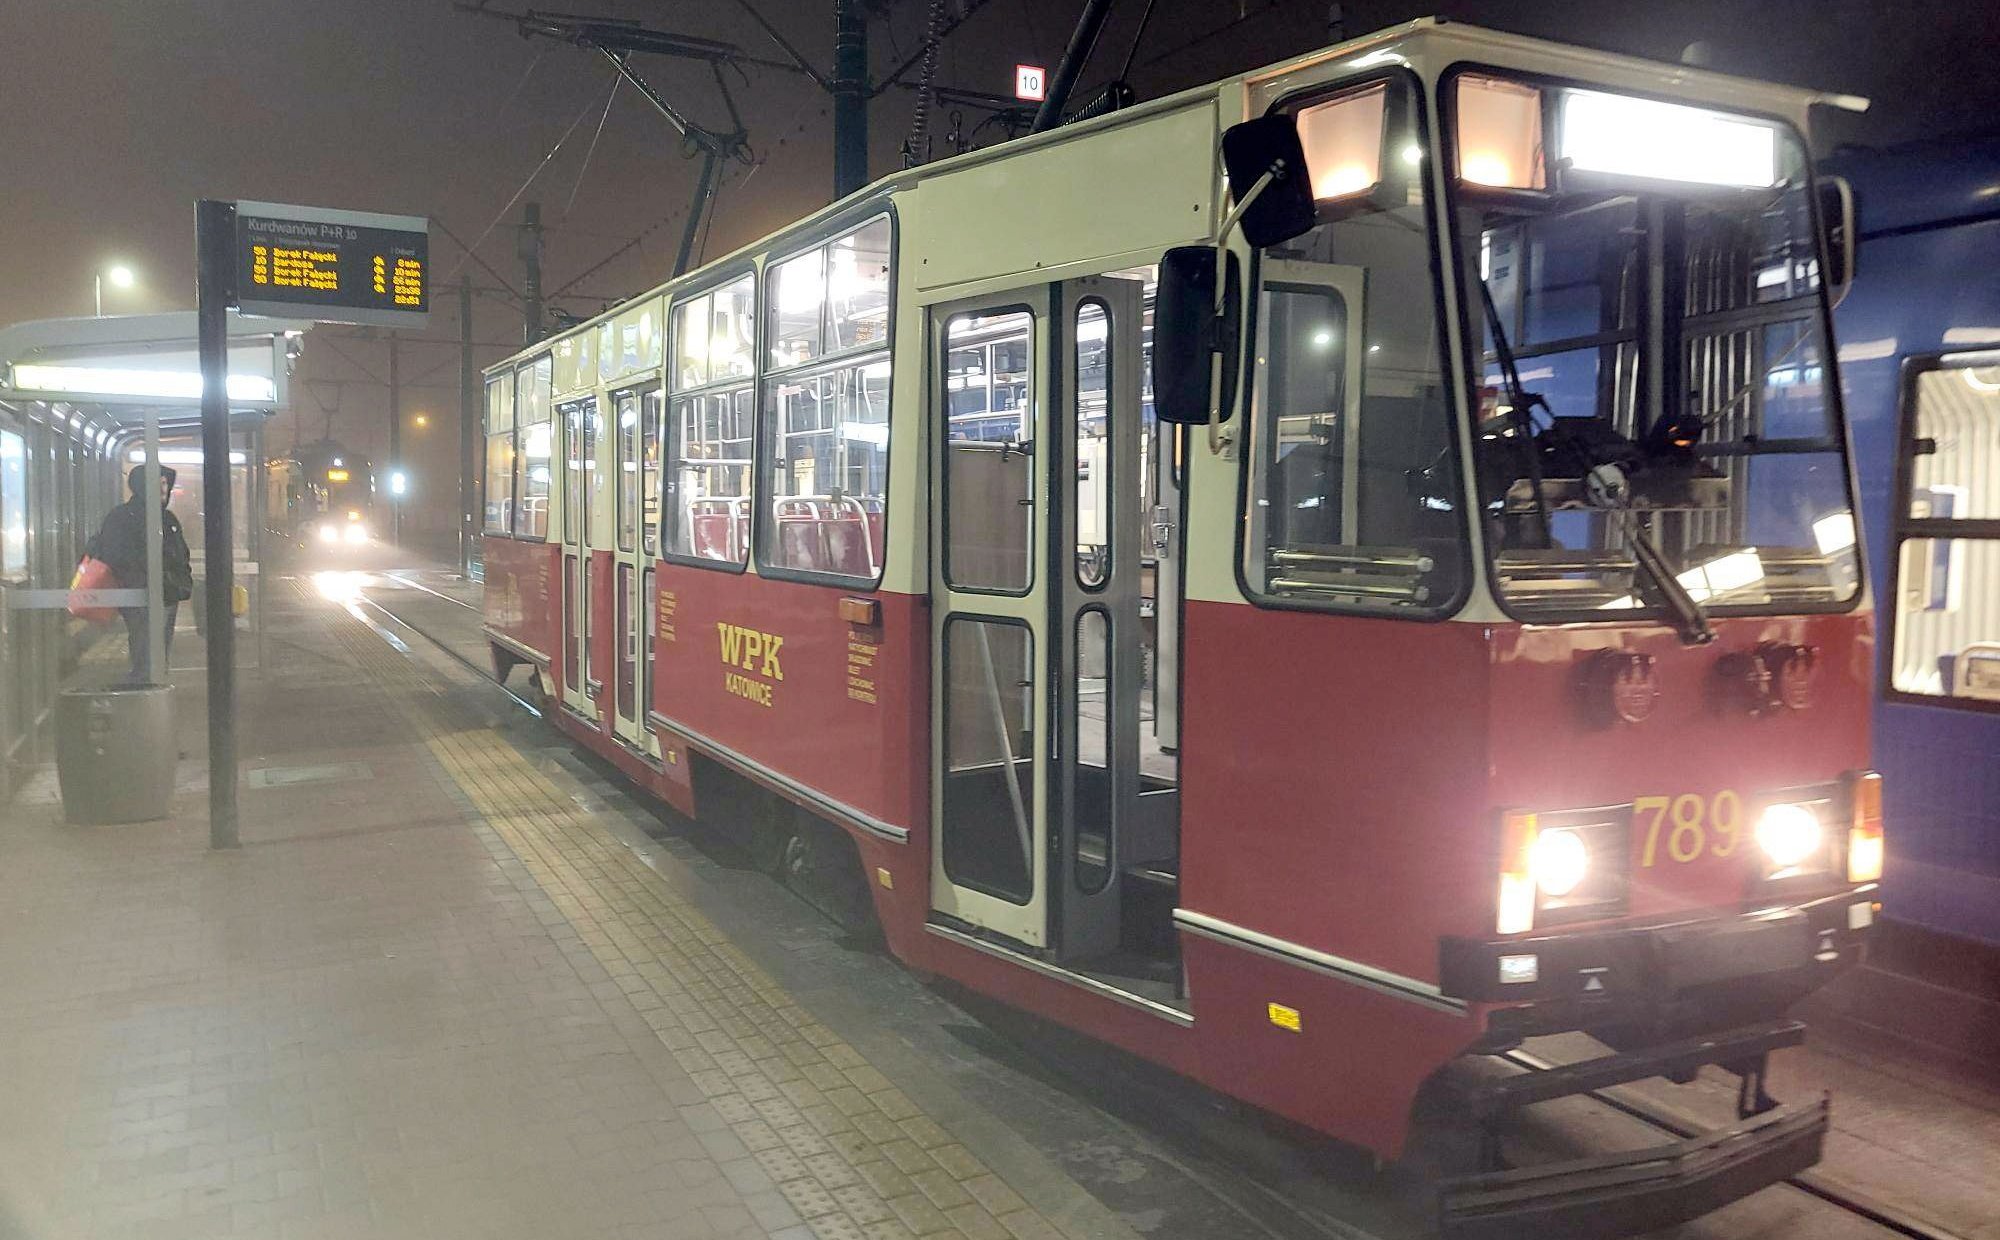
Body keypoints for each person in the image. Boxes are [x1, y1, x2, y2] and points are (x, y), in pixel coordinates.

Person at [86, 465, 193, 685]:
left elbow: (181, 553)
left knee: (159, 650)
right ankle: (144, 694)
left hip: (168, 595)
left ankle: (153, 686)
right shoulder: (122, 517)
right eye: (158, 483)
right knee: (147, 650)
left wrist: (181, 580)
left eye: (165, 483)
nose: (163, 488)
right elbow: (115, 556)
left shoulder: (168, 518)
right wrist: (143, 580)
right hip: (139, 596)